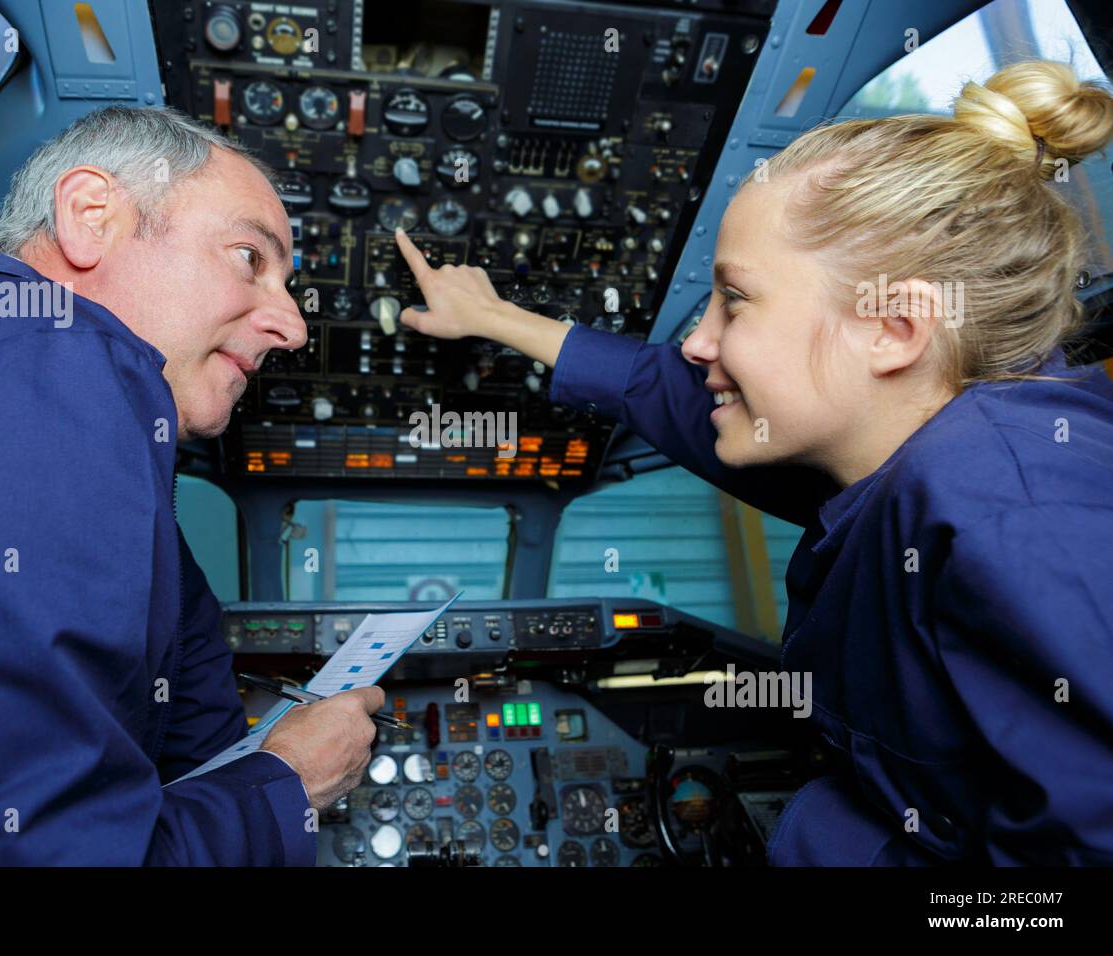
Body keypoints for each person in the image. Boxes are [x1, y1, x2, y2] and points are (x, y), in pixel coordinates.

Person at [394, 60, 1113, 865]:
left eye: (734, 301)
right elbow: (667, 393)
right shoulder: (919, 444)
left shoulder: (1015, 510)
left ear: (893, 330)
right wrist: (496, 318)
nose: (698, 341)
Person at [0, 106, 380, 865]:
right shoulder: (54, 374)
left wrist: (253, 770)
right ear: (91, 217)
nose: (294, 326)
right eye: (249, 257)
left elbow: (188, 731)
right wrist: (292, 784)